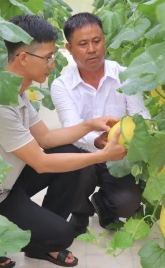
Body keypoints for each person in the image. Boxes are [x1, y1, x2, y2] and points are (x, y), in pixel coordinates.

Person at [0, 14, 127, 268]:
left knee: (72, 155)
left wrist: (90, 124)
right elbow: (40, 162)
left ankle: (41, 244)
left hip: (9, 179)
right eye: (48, 57)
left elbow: (47, 139)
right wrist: (103, 155)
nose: (52, 64)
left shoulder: (15, 90)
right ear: (24, 58)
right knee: (62, 235)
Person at [50, 12, 151, 236]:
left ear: (104, 40)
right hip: (82, 156)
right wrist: (96, 140)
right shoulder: (61, 85)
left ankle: (103, 204)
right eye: (83, 44)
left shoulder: (125, 75)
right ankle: (80, 211)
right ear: (69, 48)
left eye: (97, 41)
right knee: (71, 171)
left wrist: (133, 133)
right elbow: (71, 128)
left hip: (118, 155)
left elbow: (140, 114)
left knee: (127, 203)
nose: (92, 49)